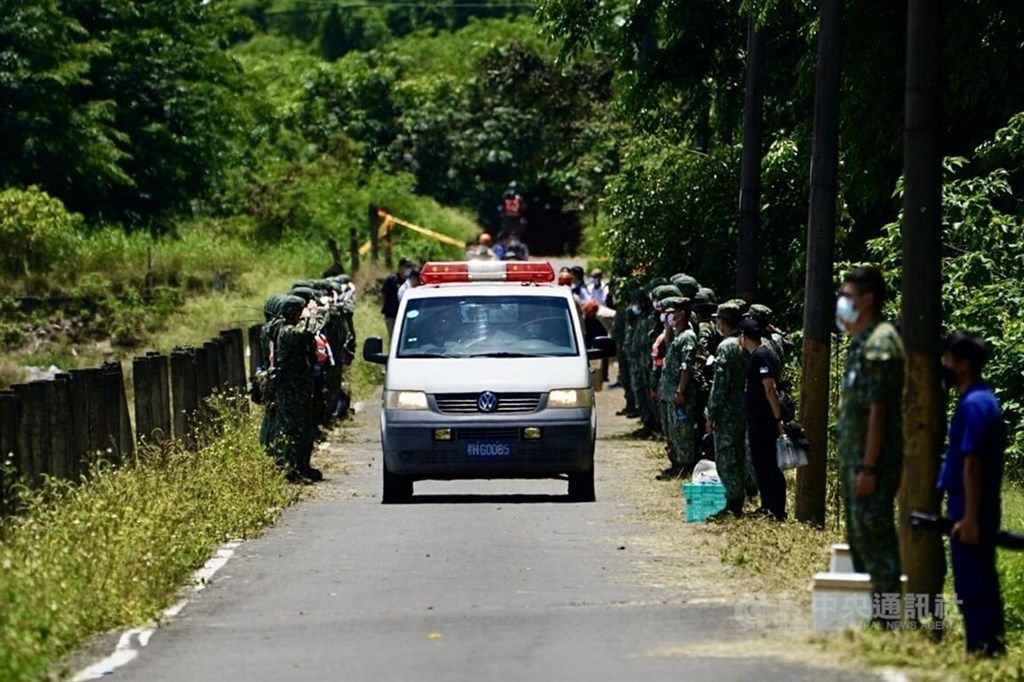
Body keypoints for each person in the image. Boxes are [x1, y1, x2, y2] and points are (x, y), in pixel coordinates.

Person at [836, 267, 904, 611]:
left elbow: (879, 410)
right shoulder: (860, 343)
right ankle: (872, 613)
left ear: (867, 300)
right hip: (856, 462)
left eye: (847, 297)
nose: (841, 303)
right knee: (860, 539)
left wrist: (869, 466)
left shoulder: (880, 344)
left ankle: (888, 618)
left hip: (871, 464)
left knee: (877, 541)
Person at [938, 332, 1006, 656]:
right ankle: (987, 644)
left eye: (948, 359)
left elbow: (973, 464)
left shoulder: (976, 403)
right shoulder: (976, 399)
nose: (944, 366)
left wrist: (969, 518)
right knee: (977, 577)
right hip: (968, 501)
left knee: (973, 581)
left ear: (963, 365)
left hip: (971, 503)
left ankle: (983, 647)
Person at [266, 295, 323, 482]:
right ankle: (290, 470)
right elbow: (306, 332)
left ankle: (302, 466)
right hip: (290, 390)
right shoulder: (287, 331)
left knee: (305, 429)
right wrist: (311, 315)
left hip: (301, 389)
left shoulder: (293, 328)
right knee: (292, 429)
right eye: (299, 311)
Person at [737, 319, 788, 520]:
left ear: (744, 336)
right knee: (761, 463)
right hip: (758, 419)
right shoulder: (757, 355)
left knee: (769, 464)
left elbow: (770, 388)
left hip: (765, 420)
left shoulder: (761, 355)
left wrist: (777, 419)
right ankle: (767, 505)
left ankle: (775, 509)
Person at [706, 301, 749, 517]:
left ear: (723, 321)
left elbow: (719, 385)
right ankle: (739, 497)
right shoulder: (746, 342)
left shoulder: (726, 347)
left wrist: (711, 413)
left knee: (726, 457)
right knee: (739, 454)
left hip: (727, 411)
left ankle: (732, 503)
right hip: (744, 408)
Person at [658, 297, 698, 479]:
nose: (667, 316)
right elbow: (667, 345)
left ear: (681, 314)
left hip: (678, 394)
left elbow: (686, 366)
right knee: (671, 431)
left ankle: (686, 466)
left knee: (682, 431)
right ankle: (676, 463)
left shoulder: (688, 336)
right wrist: (667, 328)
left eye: (671, 312)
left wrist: (680, 391)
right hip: (668, 394)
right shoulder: (677, 336)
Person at [381, 258, 411, 340]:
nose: (408, 269)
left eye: (409, 267)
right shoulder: (392, 279)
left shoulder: (409, 282)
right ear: (400, 267)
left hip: (404, 315)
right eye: (406, 266)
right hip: (391, 315)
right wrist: (385, 308)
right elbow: (383, 294)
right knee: (393, 338)